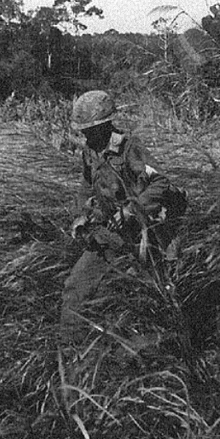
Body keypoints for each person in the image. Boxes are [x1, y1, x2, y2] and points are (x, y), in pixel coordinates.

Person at [62, 90, 187, 342]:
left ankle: (172, 346)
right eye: (83, 130)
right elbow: (86, 186)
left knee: (153, 295)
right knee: (74, 290)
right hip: (109, 234)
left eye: (90, 129)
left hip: (143, 235)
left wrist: (132, 209)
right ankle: (69, 354)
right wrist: (81, 216)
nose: (86, 135)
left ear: (105, 125)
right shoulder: (90, 151)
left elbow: (160, 182)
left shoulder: (130, 148)